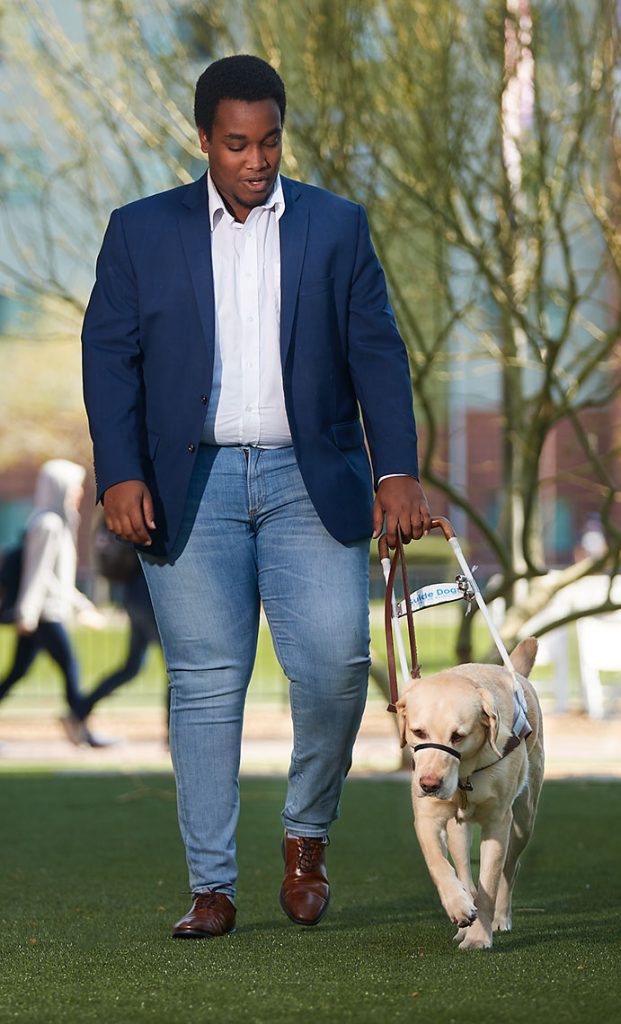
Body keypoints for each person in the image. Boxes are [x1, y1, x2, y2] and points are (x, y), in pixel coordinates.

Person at [81, 54, 430, 939]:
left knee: (334, 668)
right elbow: (108, 359)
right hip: (184, 483)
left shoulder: (338, 227)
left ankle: (305, 837)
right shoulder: (139, 231)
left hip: (307, 480)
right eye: (237, 143)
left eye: (269, 140)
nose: (257, 159)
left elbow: (377, 355)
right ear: (204, 140)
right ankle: (212, 887)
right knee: (204, 684)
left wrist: (396, 470)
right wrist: (119, 472)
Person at [0, 459, 107, 745]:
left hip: (47, 611)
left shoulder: (59, 522)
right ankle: (80, 726)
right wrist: (27, 613)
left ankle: (79, 726)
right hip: (45, 613)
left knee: (16, 673)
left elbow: (59, 580)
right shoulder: (47, 524)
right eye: (75, 488)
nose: (79, 494)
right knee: (70, 665)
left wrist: (82, 606)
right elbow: (38, 573)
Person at [70, 564, 163, 735]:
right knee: (175, 670)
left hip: (136, 597)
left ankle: (80, 709)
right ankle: (174, 733)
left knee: (131, 668)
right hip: (149, 598)